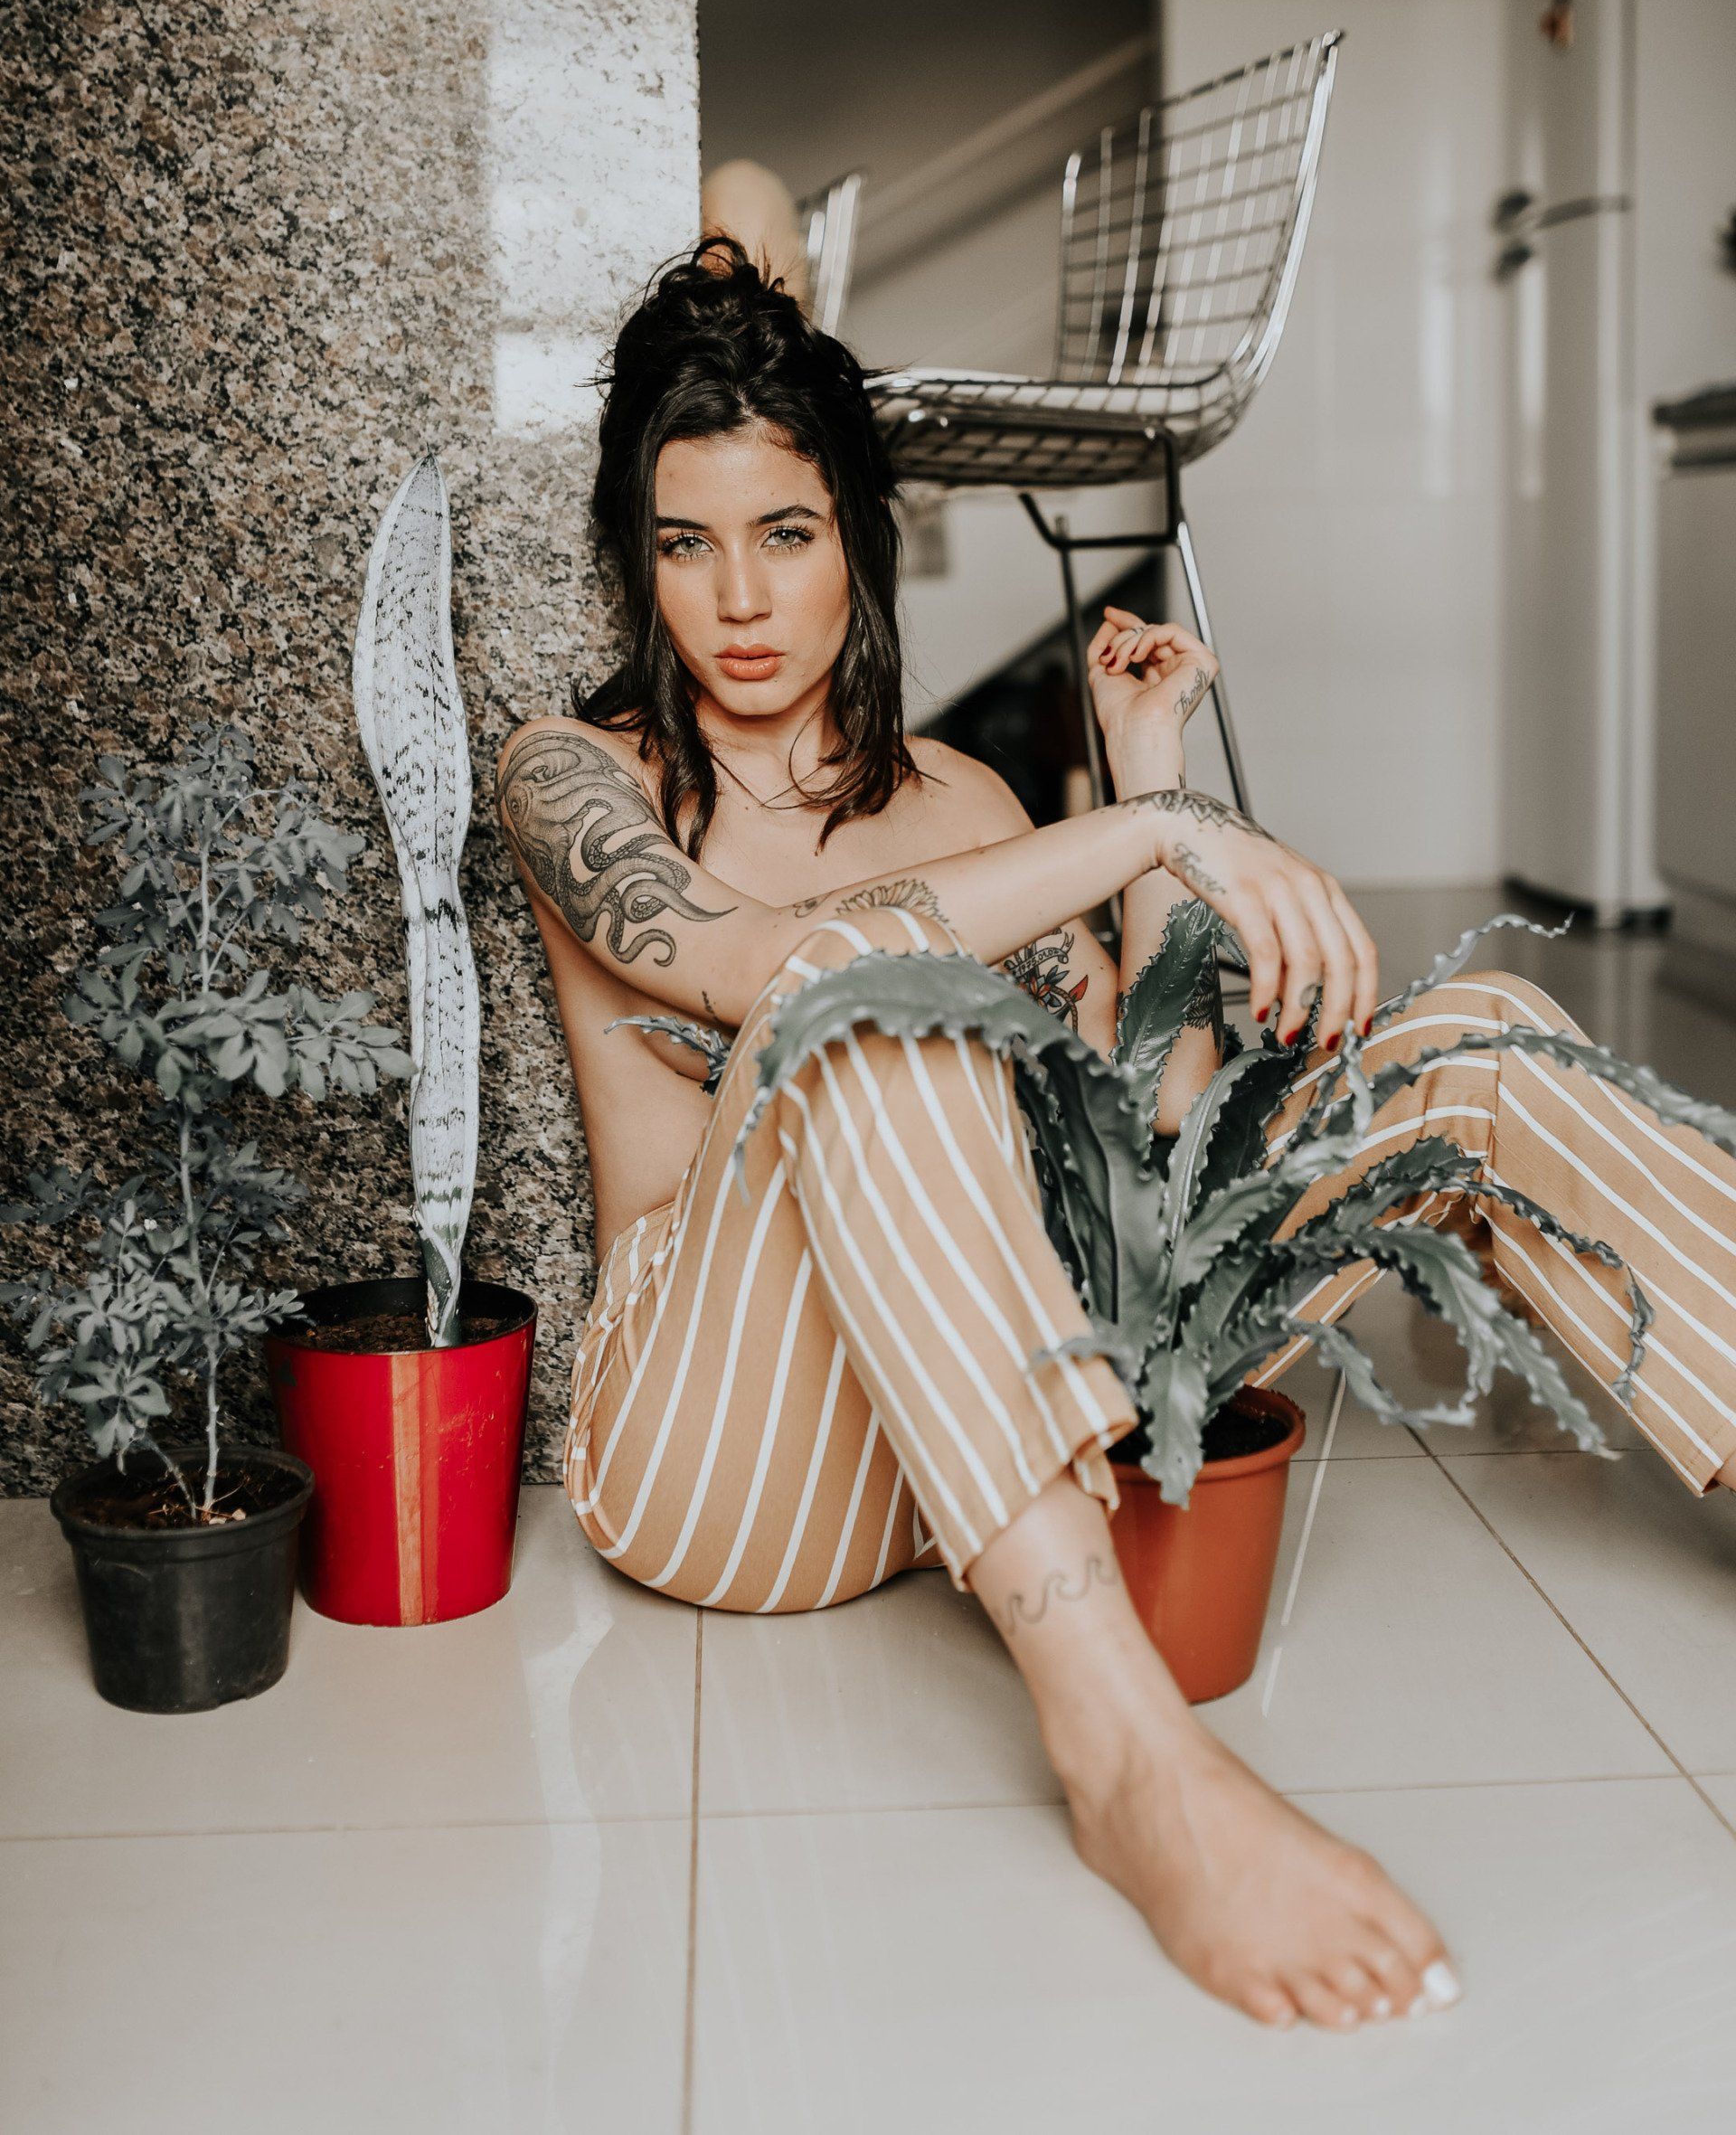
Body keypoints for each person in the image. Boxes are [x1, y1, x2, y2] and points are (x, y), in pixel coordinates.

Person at [496, 240, 1736, 2034]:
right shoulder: (575, 770)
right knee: (861, 993)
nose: (738, 599)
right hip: (724, 1447)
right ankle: (1134, 1765)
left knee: (1482, 1038)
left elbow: (1156, 1134)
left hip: (979, 1420)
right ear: (637, 555)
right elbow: (766, 965)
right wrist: (1156, 831)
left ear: (862, 535)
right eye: (685, 544)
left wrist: (1142, 771)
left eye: (787, 532)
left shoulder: (972, 803)